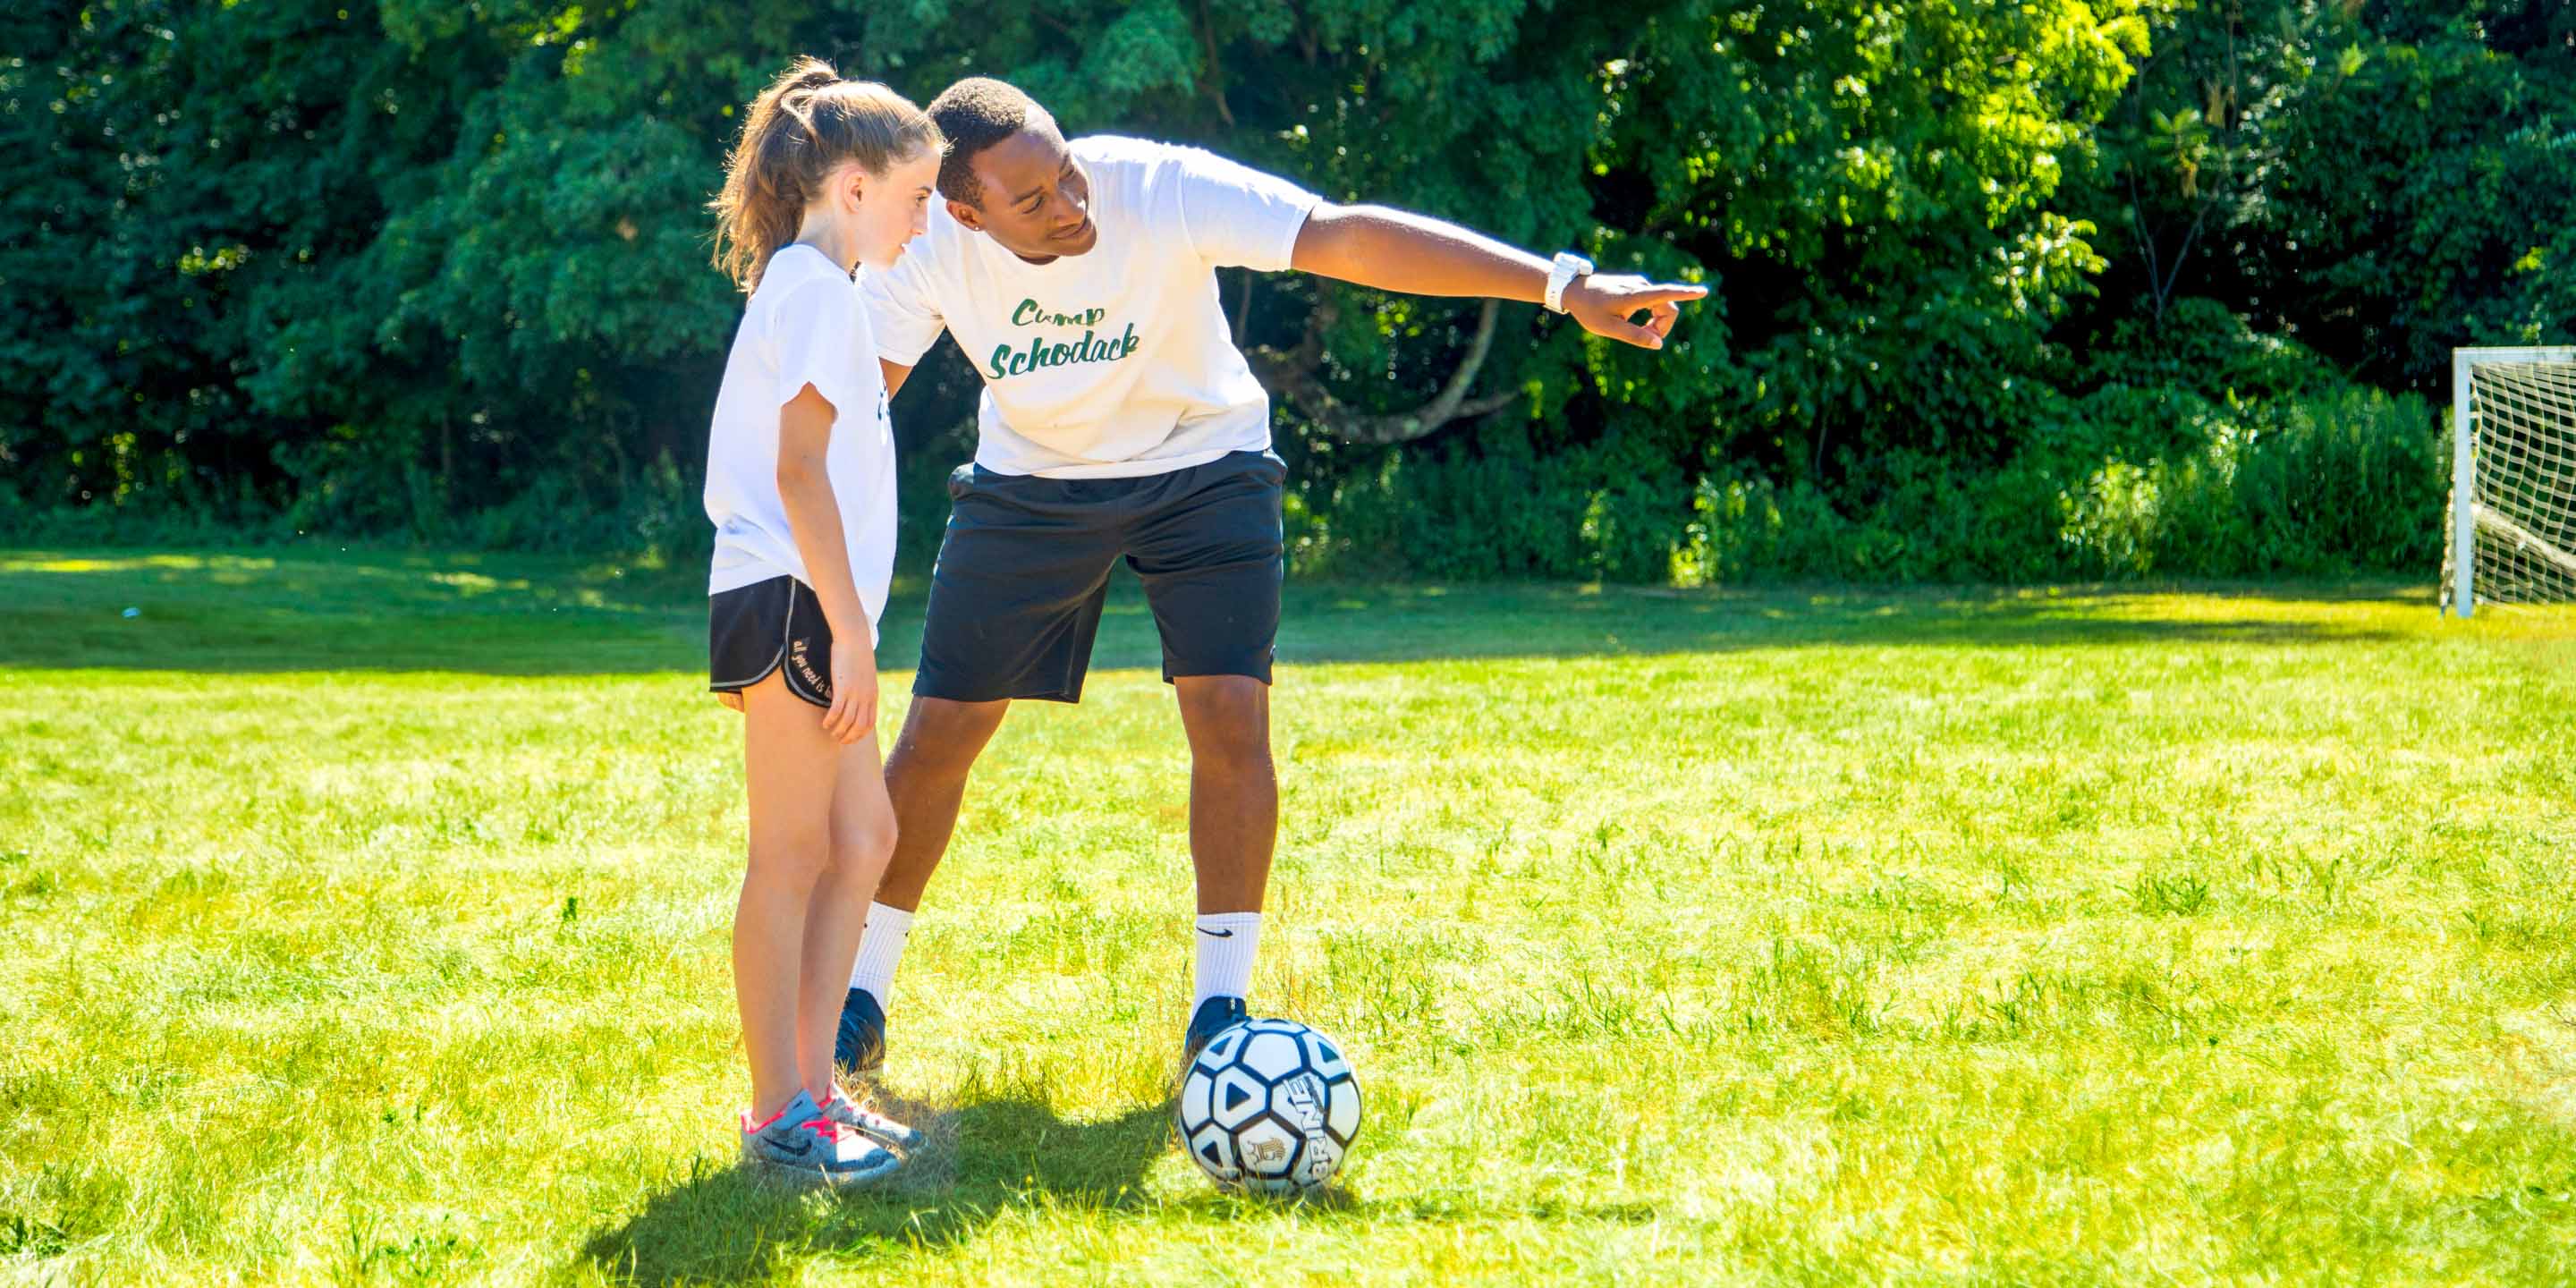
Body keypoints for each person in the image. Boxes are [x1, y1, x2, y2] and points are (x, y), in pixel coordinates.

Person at [833, 76, 1705, 1075]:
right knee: (940, 730)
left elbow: (1343, 236)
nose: (1071, 204)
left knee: (1229, 717)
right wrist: (802, 554)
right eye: (1032, 201)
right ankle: (858, 993)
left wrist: (1564, 288)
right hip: (1034, 482)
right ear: (965, 210)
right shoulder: (923, 247)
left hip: (1206, 463)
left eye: (1067, 172)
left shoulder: (1155, 188)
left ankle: (1221, 1012)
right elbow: (857, 403)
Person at [699, 56, 943, 1187]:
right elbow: (799, 477)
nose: (927, 214)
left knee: (865, 841)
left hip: (823, 610)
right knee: (792, 855)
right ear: (851, 189)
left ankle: (815, 1086)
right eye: (917, 195)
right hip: (793, 604)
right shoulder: (809, 291)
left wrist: (854, 626)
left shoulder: (826, 293)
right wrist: (849, 629)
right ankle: (777, 1113)